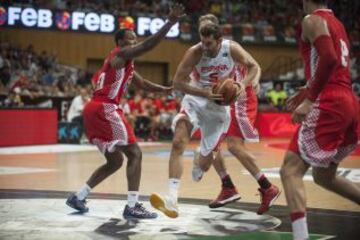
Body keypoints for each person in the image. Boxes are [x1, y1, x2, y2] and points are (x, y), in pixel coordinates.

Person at [66, 3, 185, 219]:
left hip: (95, 109)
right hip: (105, 107)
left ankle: (79, 196)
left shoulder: (124, 64)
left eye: (135, 39)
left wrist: (165, 89)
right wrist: (169, 23)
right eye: (131, 40)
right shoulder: (120, 54)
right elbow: (147, 46)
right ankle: (132, 206)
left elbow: (142, 83)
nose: (135, 42)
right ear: (121, 42)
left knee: (116, 161)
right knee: (135, 153)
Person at [150, 15, 260, 218]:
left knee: (205, 164)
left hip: (219, 108)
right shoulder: (194, 52)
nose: (205, 47)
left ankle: (200, 158)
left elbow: (255, 67)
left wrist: (242, 85)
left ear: (219, 41)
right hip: (196, 98)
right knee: (178, 142)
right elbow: (178, 83)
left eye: (209, 43)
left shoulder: (231, 48)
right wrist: (203, 93)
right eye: (202, 41)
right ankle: (172, 199)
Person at [280, 0, 360, 239]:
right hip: (350, 102)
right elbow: (334, 66)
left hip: (330, 102)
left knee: (290, 171)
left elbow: (329, 58)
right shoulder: (338, 24)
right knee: (323, 176)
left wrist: (310, 99)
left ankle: (300, 237)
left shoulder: (311, 20)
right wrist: (307, 89)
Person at [191, 14, 280, 215]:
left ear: (216, 32)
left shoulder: (229, 47)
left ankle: (268, 188)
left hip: (240, 97)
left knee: (234, 146)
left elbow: (255, 66)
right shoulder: (200, 51)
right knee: (210, 142)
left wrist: (252, 81)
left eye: (208, 27)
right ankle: (228, 186)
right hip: (219, 100)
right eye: (201, 28)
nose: (204, 35)